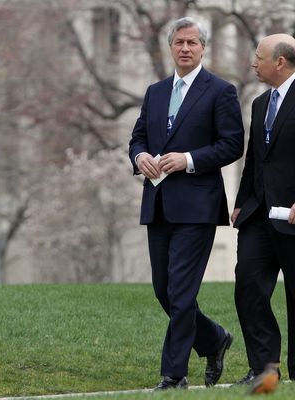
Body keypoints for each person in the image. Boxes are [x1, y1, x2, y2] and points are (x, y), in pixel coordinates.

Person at [128, 17, 244, 390]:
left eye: (192, 42)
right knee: (164, 290)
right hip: (158, 203)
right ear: (170, 46)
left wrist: (188, 160)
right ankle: (213, 340)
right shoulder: (156, 91)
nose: (185, 48)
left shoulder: (220, 91)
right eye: (179, 42)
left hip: (198, 207)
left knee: (181, 292)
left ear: (203, 47)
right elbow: (138, 138)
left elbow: (231, 145)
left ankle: (174, 375)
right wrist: (139, 157)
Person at [232, 33, 295, 385]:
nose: (254, 63)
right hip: (258, 216)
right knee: (249, 288)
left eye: (259, 57)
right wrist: (242, 203)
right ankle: (264, 369)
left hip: (293, 216)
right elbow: (255, 160)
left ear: (280, 62)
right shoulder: (259, 103)